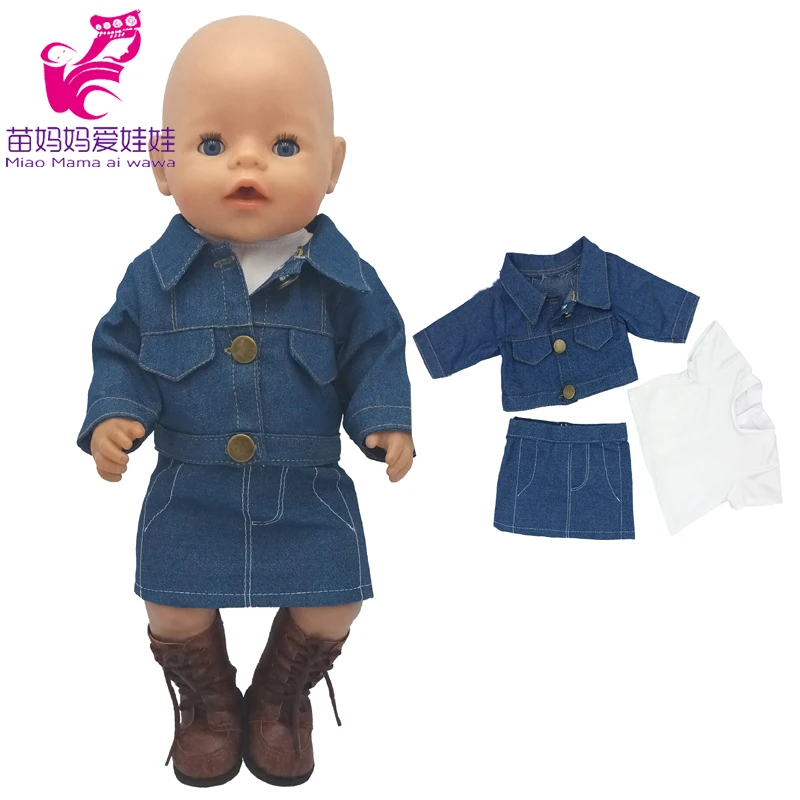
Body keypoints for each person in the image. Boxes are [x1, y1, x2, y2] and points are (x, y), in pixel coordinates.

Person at [77, 16, 414, 788]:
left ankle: (278, 696)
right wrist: (115, 414)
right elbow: (121, 350)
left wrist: (384, 418)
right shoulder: (151, 279)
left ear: (333, 164)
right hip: (190, 489)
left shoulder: (343, 280)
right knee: (171, 607)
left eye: (285, 145)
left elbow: (375, 347)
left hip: (307, 488)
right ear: (162, 165)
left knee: (336, 603)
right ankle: (210, 706)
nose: (249, 161)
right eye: (212, 143)